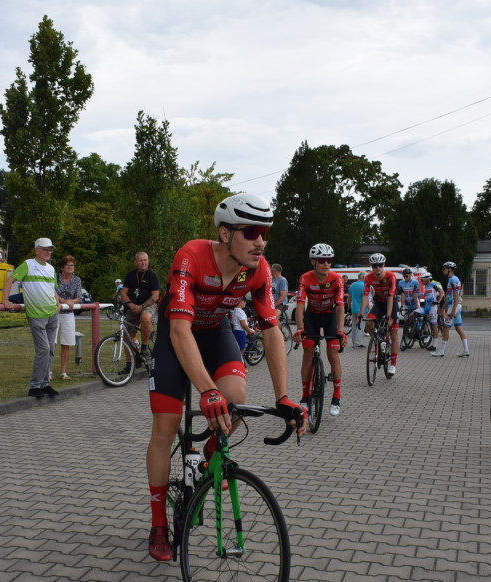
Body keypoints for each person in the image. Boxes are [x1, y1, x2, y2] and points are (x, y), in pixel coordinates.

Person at [144, 193, 305, 562]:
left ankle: (206, 466)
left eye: (264, 231)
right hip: (176, 336)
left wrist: (284, 396)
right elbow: (181, 332)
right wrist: (205, 389)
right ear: (224, 233)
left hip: (215, 334)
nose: (260, 240)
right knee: (165, 428)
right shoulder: (192, 256)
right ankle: (157, 523)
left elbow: (270, 332)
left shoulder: (259, 270)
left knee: (235, 402)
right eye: (250, 231)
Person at [2, 238, 62, 398]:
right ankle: (35, 386)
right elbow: (10, 280)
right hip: (36, 314)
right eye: (45, 249)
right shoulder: (28, 264)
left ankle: (44, 384)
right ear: (37, 250)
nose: (48, 252)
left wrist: (57, 303)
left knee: (50, 351)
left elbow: (53, 289)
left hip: (52, 314)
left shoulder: (51, 269)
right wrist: (5, 300)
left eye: (50, 249)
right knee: (43, 349)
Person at [295, 243, 347, 415]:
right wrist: (300, 328)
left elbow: (340, 306)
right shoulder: (305, 278)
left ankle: (337, 396)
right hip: (312, 317)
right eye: (322, 260)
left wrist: (340, 331)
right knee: (308, 353)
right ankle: (304, 396)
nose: (326, 263)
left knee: (333, 354)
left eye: (329, 260)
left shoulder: (337, 279)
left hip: (329, 317)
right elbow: (301, 305)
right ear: (313, 261)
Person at [363, 253, 400, 376]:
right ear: (372, 267)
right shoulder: (368, 278)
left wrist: (388, 316)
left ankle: (393, 364)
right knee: (368, 323)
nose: (377, 268)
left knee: (393, 332)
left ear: (383, 265)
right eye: (374, 266)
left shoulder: (391, 276)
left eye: (379, 265)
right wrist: (360, 314)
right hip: (379, 304)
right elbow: (365, 295)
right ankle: (378, 341)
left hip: (391, 303)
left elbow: (390, 296)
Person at [121, 251, 161, 350]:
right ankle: (130, 363)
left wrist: (142, 307)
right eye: (141, 260)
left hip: (147, 306)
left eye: (145, 260)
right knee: (127, 334)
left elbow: (155, 296)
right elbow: (123, 292)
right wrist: (131, 305)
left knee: (146, 318)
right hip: (133, 306)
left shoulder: (152, 275)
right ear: (136, 262)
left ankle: (144, 347)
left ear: (148, 261)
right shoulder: (130, 275)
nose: (143, 263)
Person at [54, 254, 82, 381]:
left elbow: (78, 297)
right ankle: (47, 371)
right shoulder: (56, 277)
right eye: (68, 265)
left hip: (68, 313)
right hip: (55, 311)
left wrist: (71, 302)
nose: (71, 267)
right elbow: (52, 291)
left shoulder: (77, 280)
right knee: (52, 342)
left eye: (72, 265)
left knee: (66, 343)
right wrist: (62, 300)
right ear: (62, 267)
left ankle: (63, 372)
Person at [436, 261, 470, 357]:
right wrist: (444, 307)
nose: (443, 270)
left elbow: (456, 296)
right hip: (454, 305)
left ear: (450, 269)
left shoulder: (453, 279)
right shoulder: (451, 279)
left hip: (455, 306)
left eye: (444, 268)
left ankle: (441, 351)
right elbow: (450, 297)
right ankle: (466, 350)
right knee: (459, 328)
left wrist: (453, 310)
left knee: (446, 328)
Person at [421, 269, 444, 353]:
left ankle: (434, 346)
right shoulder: (426, 287)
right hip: (427, 307)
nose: (421, 281)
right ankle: (425, 336)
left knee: (434, 326)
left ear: (427, 279)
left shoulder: (433, 284)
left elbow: (441, 292)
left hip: (433, 307)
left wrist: (437, 302)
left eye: (422, 280)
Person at [348, 270, 368, 348]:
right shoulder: (364, 286)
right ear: (363, 277)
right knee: (361, 325)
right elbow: (365, 299)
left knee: (354, 325)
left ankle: (354, 341)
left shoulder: (352, 285)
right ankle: (357, 343)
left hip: (354, 308)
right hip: (362, 309)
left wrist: (349, 307)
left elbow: (349, 298)